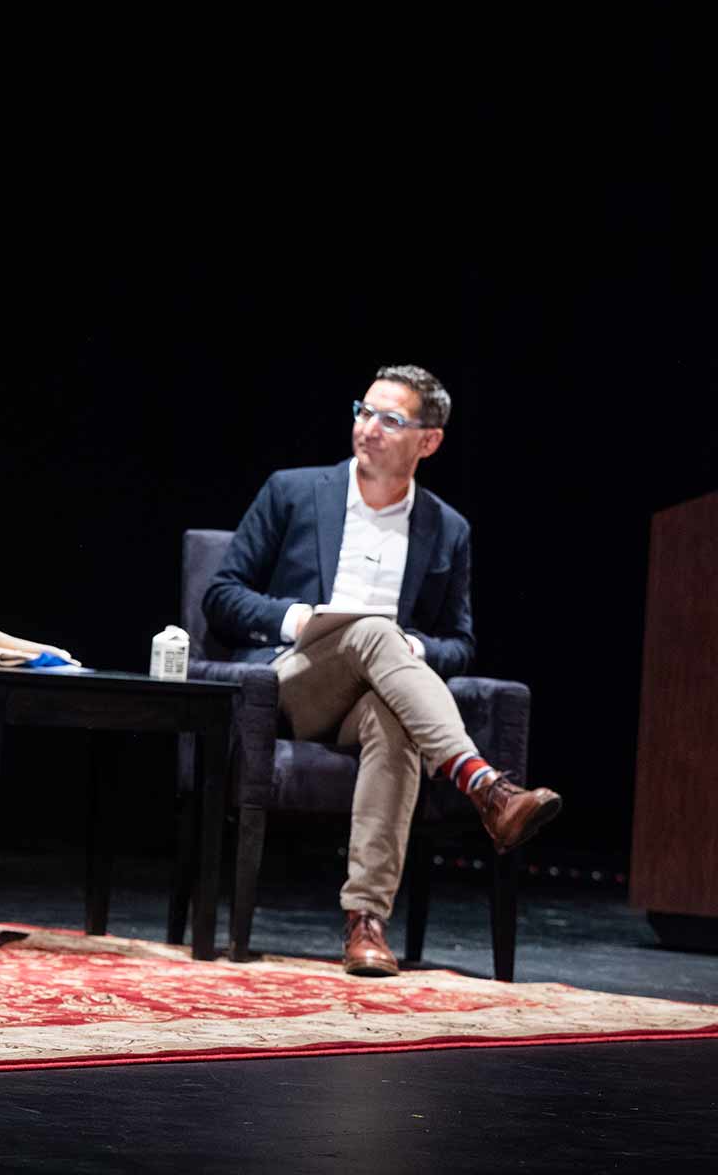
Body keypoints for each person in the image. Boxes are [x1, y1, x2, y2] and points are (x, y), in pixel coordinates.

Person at [202, 364, 562, 977]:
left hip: (376, 697)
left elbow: (459, 643)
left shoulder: (447, 529)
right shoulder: (293, 491)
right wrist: (300, 618)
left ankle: (365, 923)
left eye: (390, 420)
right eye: (362, 412)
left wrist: (408, 650)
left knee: (394, 726)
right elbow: (222, 593)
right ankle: (483, 784)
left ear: (429, 441)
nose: (368, 428)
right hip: (294, 682)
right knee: (371, 628)